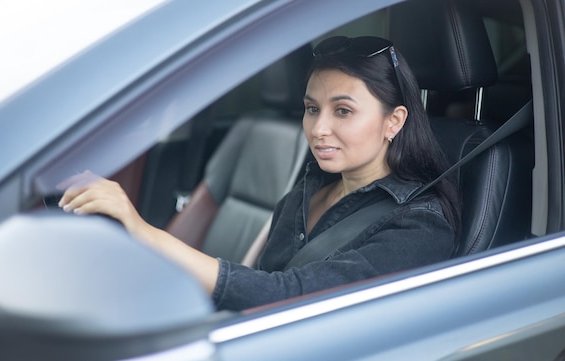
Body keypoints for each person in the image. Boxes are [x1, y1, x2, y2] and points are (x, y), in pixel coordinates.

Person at [57, 35, 461, 312]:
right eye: (311, 108)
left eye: (343, 111)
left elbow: (292, 297)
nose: (319, 129)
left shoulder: (419, 225)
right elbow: (261, 280)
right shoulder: (312, 185)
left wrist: (144, 231)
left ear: (394, 121)